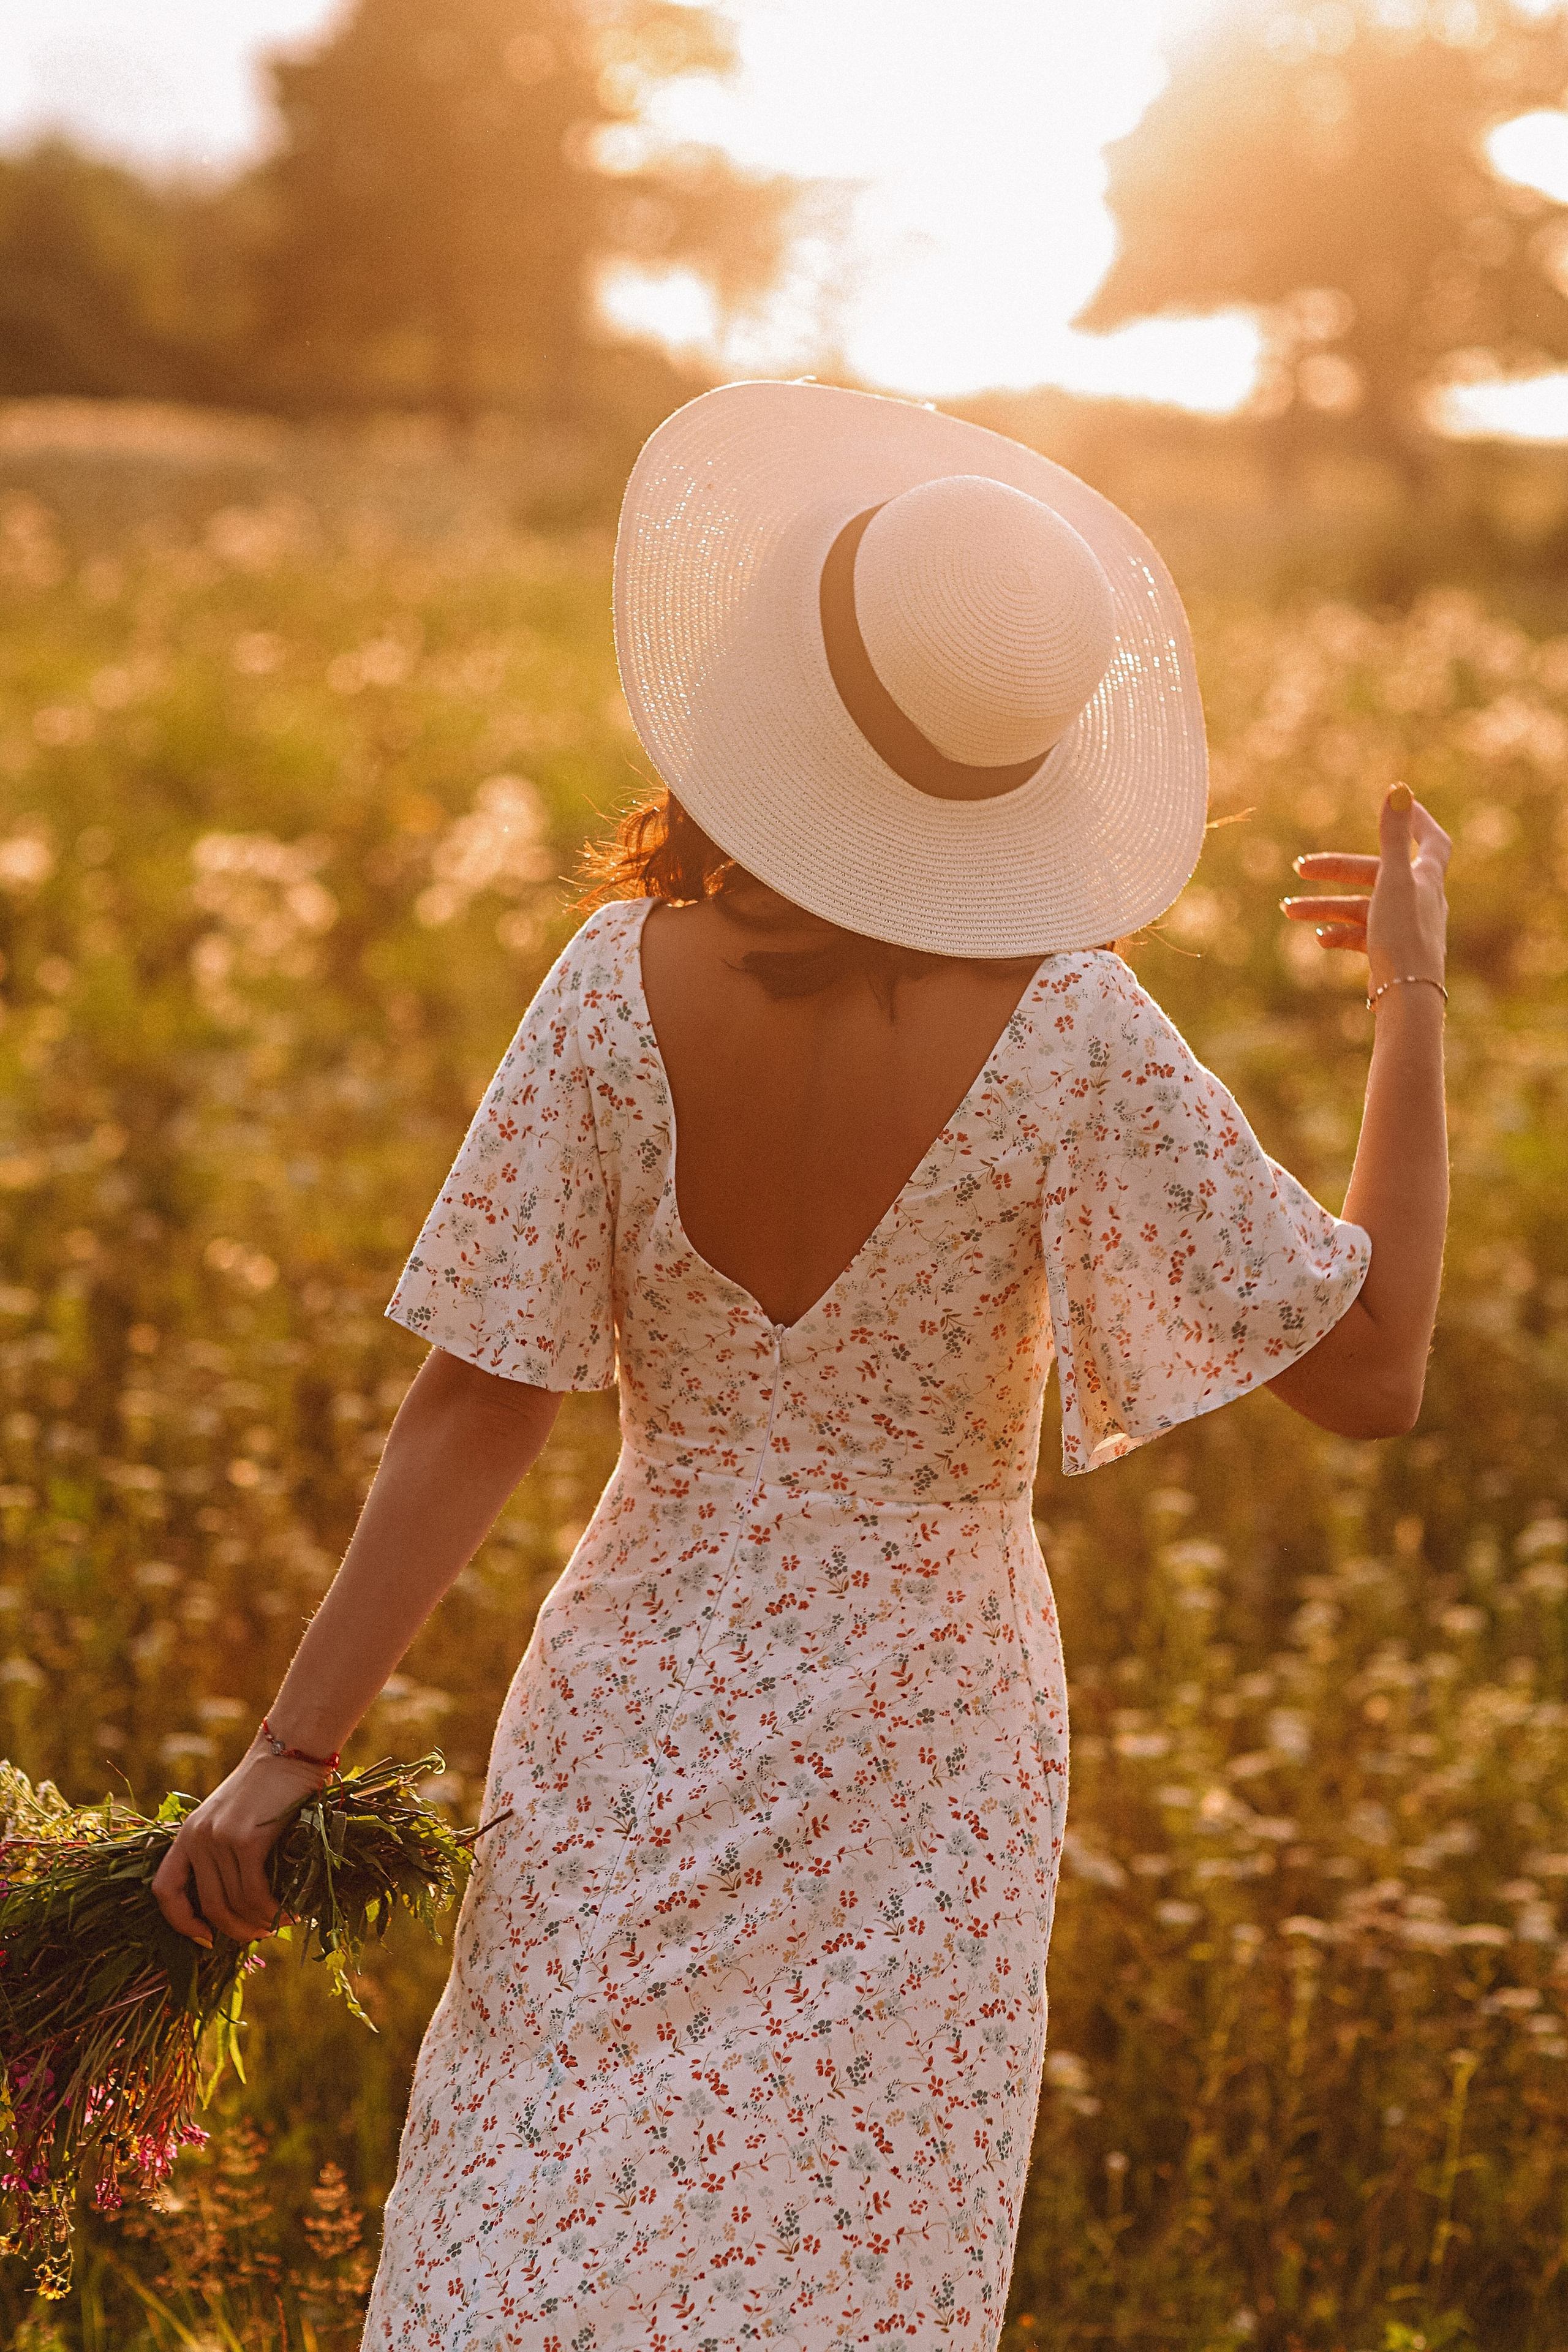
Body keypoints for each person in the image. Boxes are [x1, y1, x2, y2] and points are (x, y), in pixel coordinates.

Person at [153, 382, 1450, 2351]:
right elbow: (1369, 1373)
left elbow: (478, 1403)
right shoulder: (1078, 1031)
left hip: (631, 1690)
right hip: (925, 1735)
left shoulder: (607, 984)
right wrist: (1416, 997)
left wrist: (291, 1750)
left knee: (538, 2221)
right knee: (841, 2276)